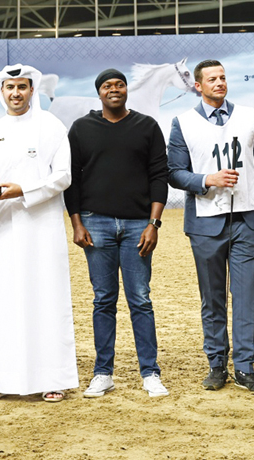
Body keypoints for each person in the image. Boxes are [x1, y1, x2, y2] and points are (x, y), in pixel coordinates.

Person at [0, 64, 78, 403]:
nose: (16, 93)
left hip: (41, 228)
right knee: (1, 302)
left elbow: (63, 176)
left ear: (32, 90)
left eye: (22, 87)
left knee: (46, 299)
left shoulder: (51, 127)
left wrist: (21, 190)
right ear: (1, 91)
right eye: (10, 87)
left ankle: (52, 378)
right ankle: (0, 379)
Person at [167, 60, 254, 395]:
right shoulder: (183, 123)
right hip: (205, 222)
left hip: (248, 221)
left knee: (246, 295)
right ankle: (216, 364)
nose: (220, 83)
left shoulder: (249, 116)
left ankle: (245, 368)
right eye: (212, 79)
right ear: (199, 86)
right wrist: (207, 179)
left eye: (223, 78)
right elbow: (174, 172)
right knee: (213, 298)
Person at [65, 68, 169, 399]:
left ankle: (150, 373)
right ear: (99, 93)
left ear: (126, 90)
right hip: (95, 225)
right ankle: (102, 373)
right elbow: (73, 180)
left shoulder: (147, 126)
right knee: (103, 300)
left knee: (140, 299)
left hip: (139, 225)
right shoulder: (81, 128)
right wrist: (76, 223)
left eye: (119, 84)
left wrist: (154, 224)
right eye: (107, 85)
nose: (114, 89)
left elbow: (158, 176)